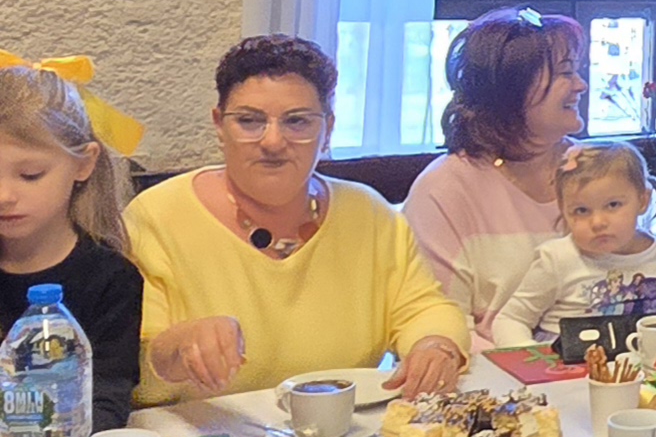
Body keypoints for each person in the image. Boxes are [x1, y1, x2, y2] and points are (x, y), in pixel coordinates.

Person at [126, 37, 467, 403]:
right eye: (249, 121)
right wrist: (179, 350)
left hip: (343, 431)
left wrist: (435, 345)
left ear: (328, 130)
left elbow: (423, 307)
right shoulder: (158, 217)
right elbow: (133, 369)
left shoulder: (368, 214)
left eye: (297, 121)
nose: (273, 142)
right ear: (219, 125)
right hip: (202, 432)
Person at [404, 9, 587, 331]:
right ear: (512, 88)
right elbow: (437, 326)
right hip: (491, 362)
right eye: (565, 73)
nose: (580, 85)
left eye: (577, 71)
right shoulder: (444, 189)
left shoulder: (594, 167)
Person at [0, 64, 142, 431]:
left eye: (30, 175)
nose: (4, 196)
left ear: (84, 164)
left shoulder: (111, 280)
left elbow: (106, 404)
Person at [489, 143, 656, 345]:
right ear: (563, 210)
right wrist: (531, 355)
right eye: (581, 210)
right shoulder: (558, 258)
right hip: (565, 360)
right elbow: (511, 320)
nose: (598, 222)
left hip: (643, 359)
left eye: (613, 205)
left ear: (643, 201)